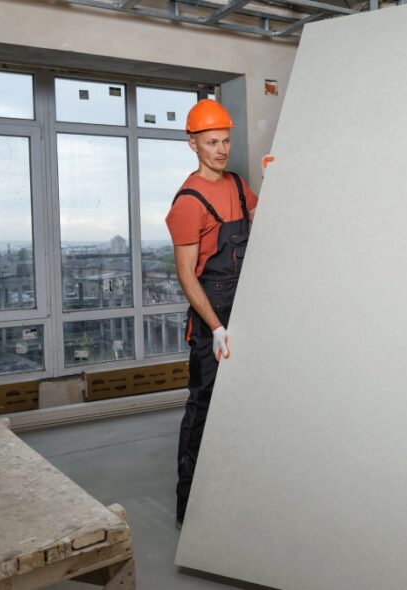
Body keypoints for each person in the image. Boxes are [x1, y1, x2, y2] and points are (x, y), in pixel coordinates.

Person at [165, 99, 258, 528]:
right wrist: (217, 328)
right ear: (193, 144)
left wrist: (280, 181)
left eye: (225, 141)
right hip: (213, 317)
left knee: (246, 405)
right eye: (211, 142)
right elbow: (187, 276)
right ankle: (191, 508)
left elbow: (271, 222)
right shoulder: (188, 202)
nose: (221, 150)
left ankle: (238, 493)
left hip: (249, 306)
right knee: (203, 407)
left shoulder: (239, 186)